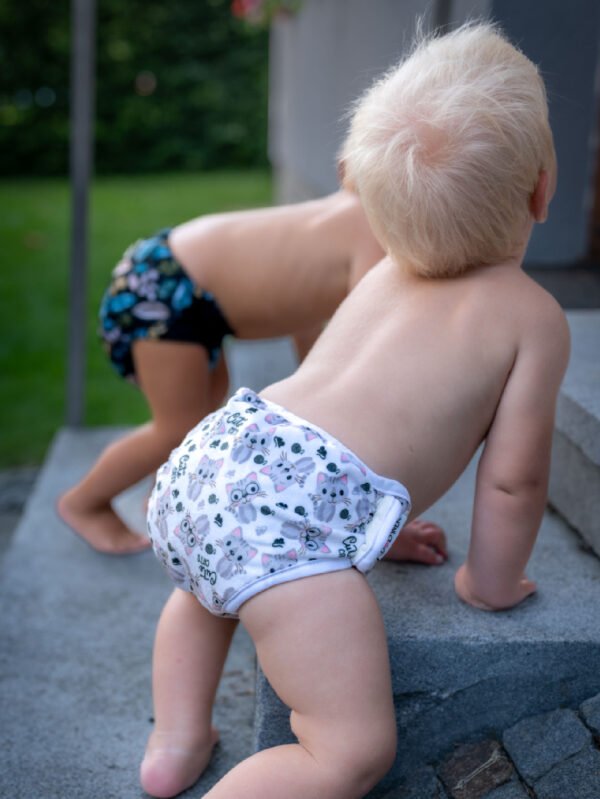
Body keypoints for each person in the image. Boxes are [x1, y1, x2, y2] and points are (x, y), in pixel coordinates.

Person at [139, 20, 570, 799]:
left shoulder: (380, 273)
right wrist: (490, 581)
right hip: (286, 508)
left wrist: (376, 524)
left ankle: (176, 737)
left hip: (219, 452)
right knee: (350, 750)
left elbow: (350, 417)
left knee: (204, 589)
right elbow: (514, 480)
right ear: (542, 189)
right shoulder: (530, 317)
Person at [56, 190, 446, 564]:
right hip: (165, 289)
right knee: (174, 429)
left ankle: (164, 493)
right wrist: (379, 529)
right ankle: (85, 503)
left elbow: (309, 312)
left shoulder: (354, 216)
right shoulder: (378, 245)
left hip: (175, 274)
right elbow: (360, 375)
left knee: (196, 422)